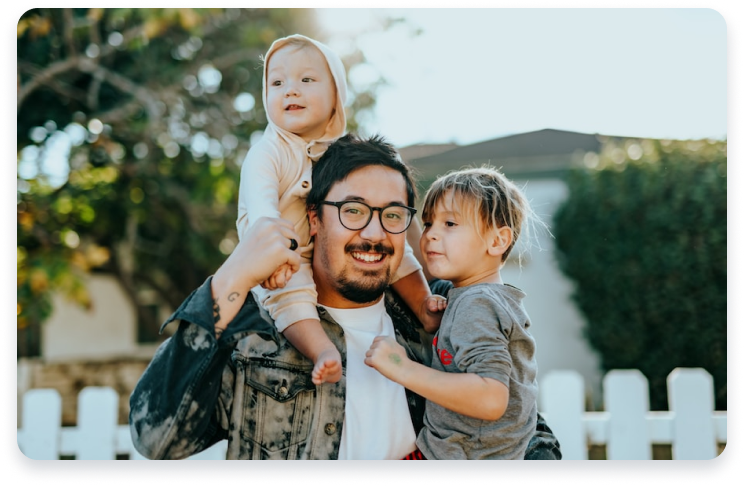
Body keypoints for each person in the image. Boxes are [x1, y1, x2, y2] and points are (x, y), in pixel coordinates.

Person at [129, 134, 561, 460]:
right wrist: (230, 278)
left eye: (392, 215)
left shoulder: (439, 311)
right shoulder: (253, 327)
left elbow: (521, 422)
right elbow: (156, 439)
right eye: (353, 211)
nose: (373, 234)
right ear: (314, 219)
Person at [236, 34, 444, 386]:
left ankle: (424, 305)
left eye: (306, 80)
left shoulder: (342, 154)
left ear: (336, 96)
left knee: (398, 249)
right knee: (291, 298)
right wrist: (274, 258)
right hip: (280, 255)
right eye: (277, 82)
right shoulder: (268, 152)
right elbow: (262, 213)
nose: (290, 90)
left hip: (312, 249)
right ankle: (322, 350)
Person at [365, 167, 542, 459]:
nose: (431, 234)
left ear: (497, 241)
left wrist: (401, 367)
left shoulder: (477, 304)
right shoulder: (479, 299)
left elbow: (491, 398)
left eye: (449, 223)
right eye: (428, 223)